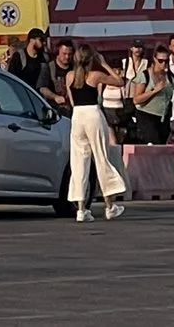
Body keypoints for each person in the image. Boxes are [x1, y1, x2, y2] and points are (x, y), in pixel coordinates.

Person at [67, 46, 127, 222]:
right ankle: (109, 206)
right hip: (92, 113)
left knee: (78, 162)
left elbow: (72, 100)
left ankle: (81, 209)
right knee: (101, 158)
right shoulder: (94, 76)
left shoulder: (70, 76)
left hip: (77, 115)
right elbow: (120, 82)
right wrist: (104, 64)